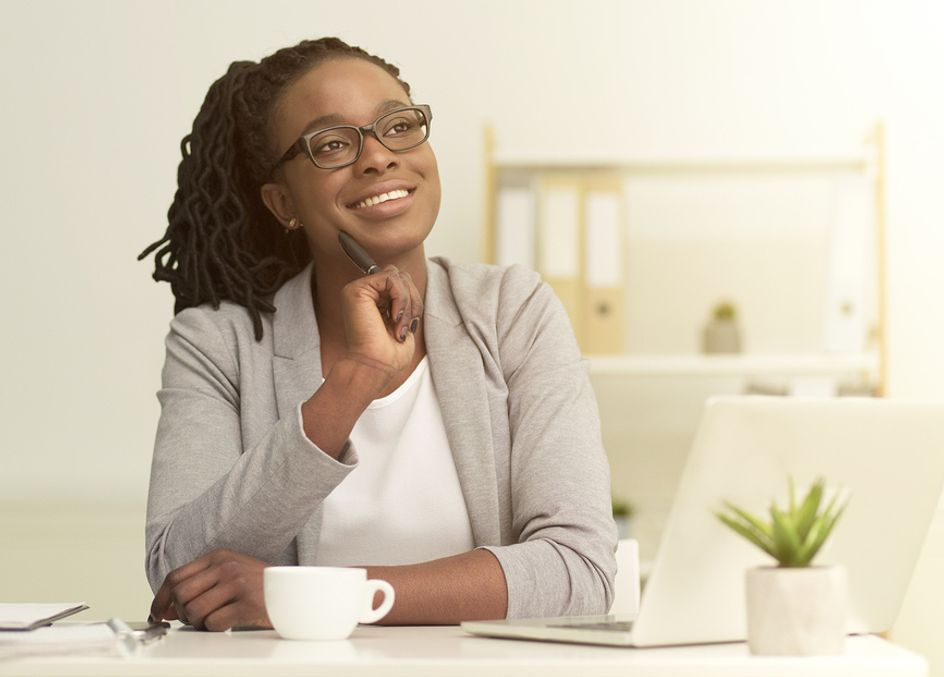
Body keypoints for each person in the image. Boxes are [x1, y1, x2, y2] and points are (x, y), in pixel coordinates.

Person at [140, 36, 617, 632]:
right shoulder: (217, 343)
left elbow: (580, 571)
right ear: (282, 200)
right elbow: (178, 576)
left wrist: (323, 597)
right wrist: (352, 382)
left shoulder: (513, 312)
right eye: (333, 143)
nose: (378, 157)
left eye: (397, 125)